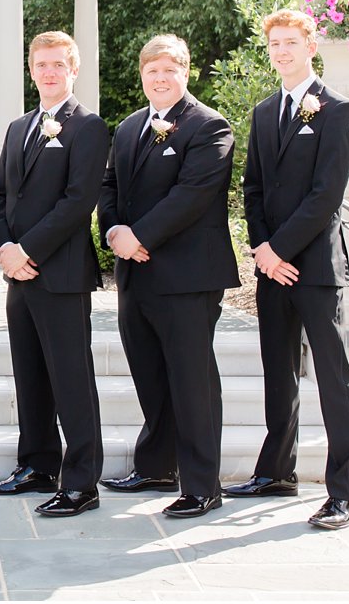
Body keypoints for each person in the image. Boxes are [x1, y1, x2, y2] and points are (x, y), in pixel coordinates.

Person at [225, 8, 349, 530]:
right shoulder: (264, 113)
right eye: (275, 44)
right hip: (271, 268)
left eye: (290, 42)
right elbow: (254, 189)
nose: (282, 51)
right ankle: (276, 472)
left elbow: (327, 194)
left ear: (311, 46)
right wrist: (262, 248)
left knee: (334, 378)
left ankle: (343, 495)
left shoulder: (338, 110)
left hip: (316, 268)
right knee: (279, 374)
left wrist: (279, 249)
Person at [98, 35, 237, 519]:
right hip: (135, 276)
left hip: (187, 277)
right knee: (150, 375)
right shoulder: (130, 127)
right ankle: (157, 465)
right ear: (142, 76)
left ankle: (202, 484)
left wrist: (140, 237)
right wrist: (114, 229)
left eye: (169, 70)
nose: (160, 78)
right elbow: (109, 184)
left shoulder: (209, 126)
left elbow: (192, 195)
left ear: (186, 72)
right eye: (152, 71)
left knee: (192, 381)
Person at [0, 30, 110, 517]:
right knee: (30, 374)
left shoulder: (88, 127)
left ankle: (80, 483)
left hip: (61, 273)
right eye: (41, 64)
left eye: (59, 64)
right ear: (31, 70)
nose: (50, 72)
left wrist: (28, 250)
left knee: (72, 378)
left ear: (74, 70)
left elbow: (79, 202)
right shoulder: (18, 128)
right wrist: (6, 250)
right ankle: (36, 464)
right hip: (20, 274)